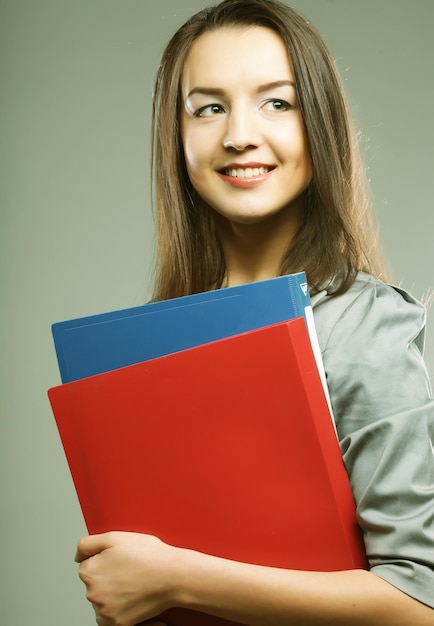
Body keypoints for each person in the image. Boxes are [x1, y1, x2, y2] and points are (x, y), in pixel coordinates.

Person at [75, 1, 434, 624]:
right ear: (176, 136)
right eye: (209, 107)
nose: (238, 133)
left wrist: (175, 579)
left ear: (318, 124)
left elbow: (419, 599)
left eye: (277, 102)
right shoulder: (154, 340)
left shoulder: (364, 324)